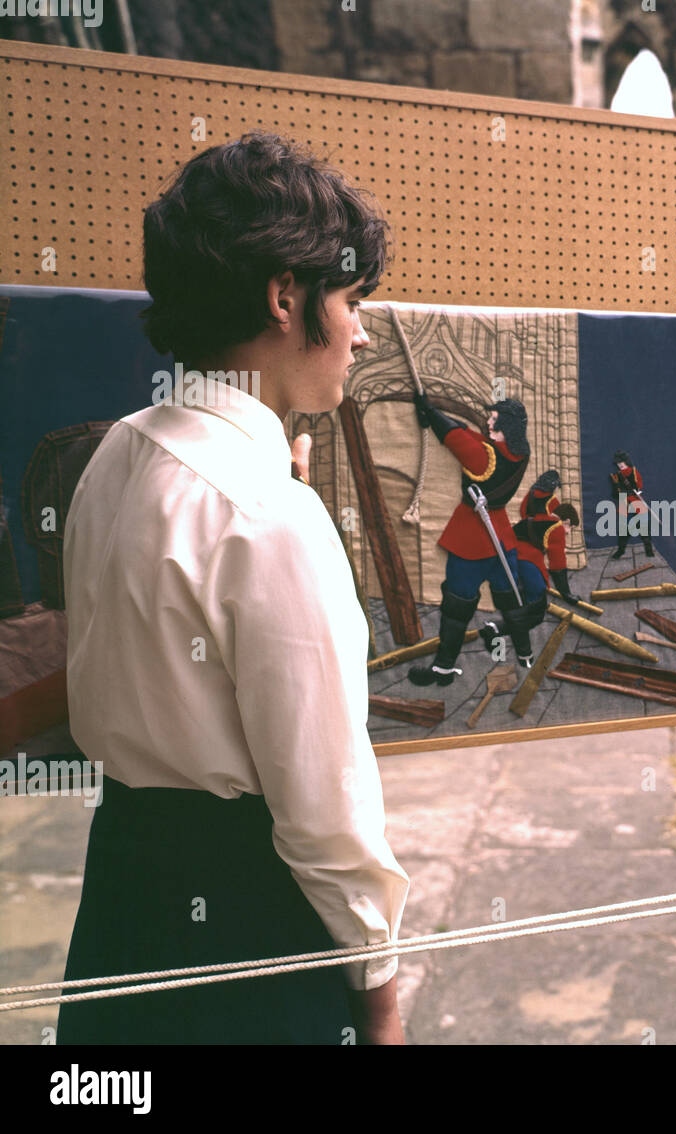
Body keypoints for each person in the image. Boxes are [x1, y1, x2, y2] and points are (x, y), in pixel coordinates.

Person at [58, 131, 409, 1045]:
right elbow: (325, 813)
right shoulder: (272, 519)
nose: (363, 329)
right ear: (285, 297)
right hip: (250, 936)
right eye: (352, 297)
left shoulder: (114, 454)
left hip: (121, 899)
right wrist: (380, 997)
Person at [407, 396, 540, 685]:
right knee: (511, 601)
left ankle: (443, 669)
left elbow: (458, 439)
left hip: (473, 540)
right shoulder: (519, 452)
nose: (489, 422)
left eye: (494, 419)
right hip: (501, 537)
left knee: (457, 607)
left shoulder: (485, 456)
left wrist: (431, 413)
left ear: (505, 423)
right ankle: (526, 654)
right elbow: (470, 434)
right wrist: (440, 417)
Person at [510, 469, 583, 610]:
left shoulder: (529, 496)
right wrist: (565, 593)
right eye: (570, 528)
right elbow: (557, 564)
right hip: (528, 556)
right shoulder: (554, 515)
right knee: (536, 597)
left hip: (513, 543)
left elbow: (523, 512)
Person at [609, 449, 653, 559]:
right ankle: (621, 550)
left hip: (635, 500)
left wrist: (636, 488)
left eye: (621, 463)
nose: (620, 465)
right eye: (618, 464)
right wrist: (617, 489)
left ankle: (649, 550)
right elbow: (615, 493)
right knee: (624, 528)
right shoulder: (616, 476)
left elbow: (639, 485)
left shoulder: (633, 471)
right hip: (624, 502)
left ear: (626, 461)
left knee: (643, 526)